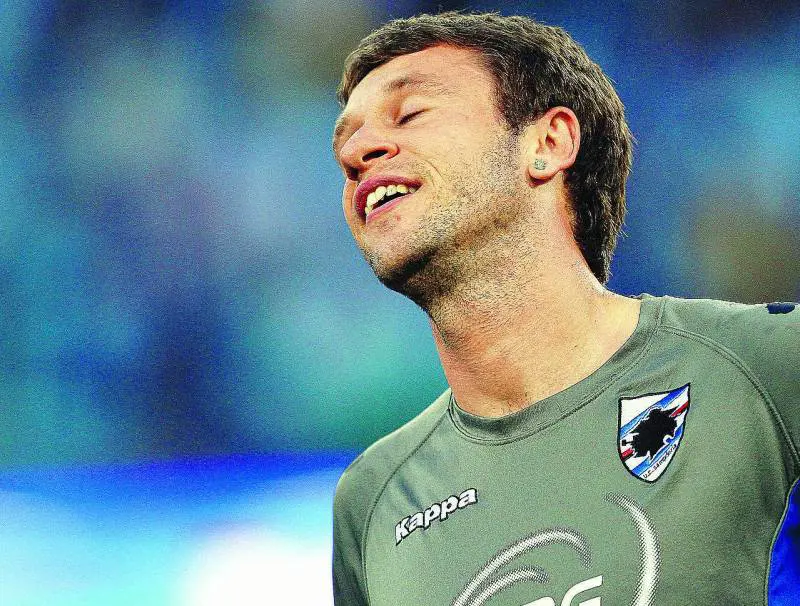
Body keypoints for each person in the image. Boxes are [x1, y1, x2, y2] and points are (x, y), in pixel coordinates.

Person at [330, 12, 798, 606]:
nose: (356, 152)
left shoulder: (768, 367)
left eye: (411, 113)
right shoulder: (372, 501)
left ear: (547, 144)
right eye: (344, 142)